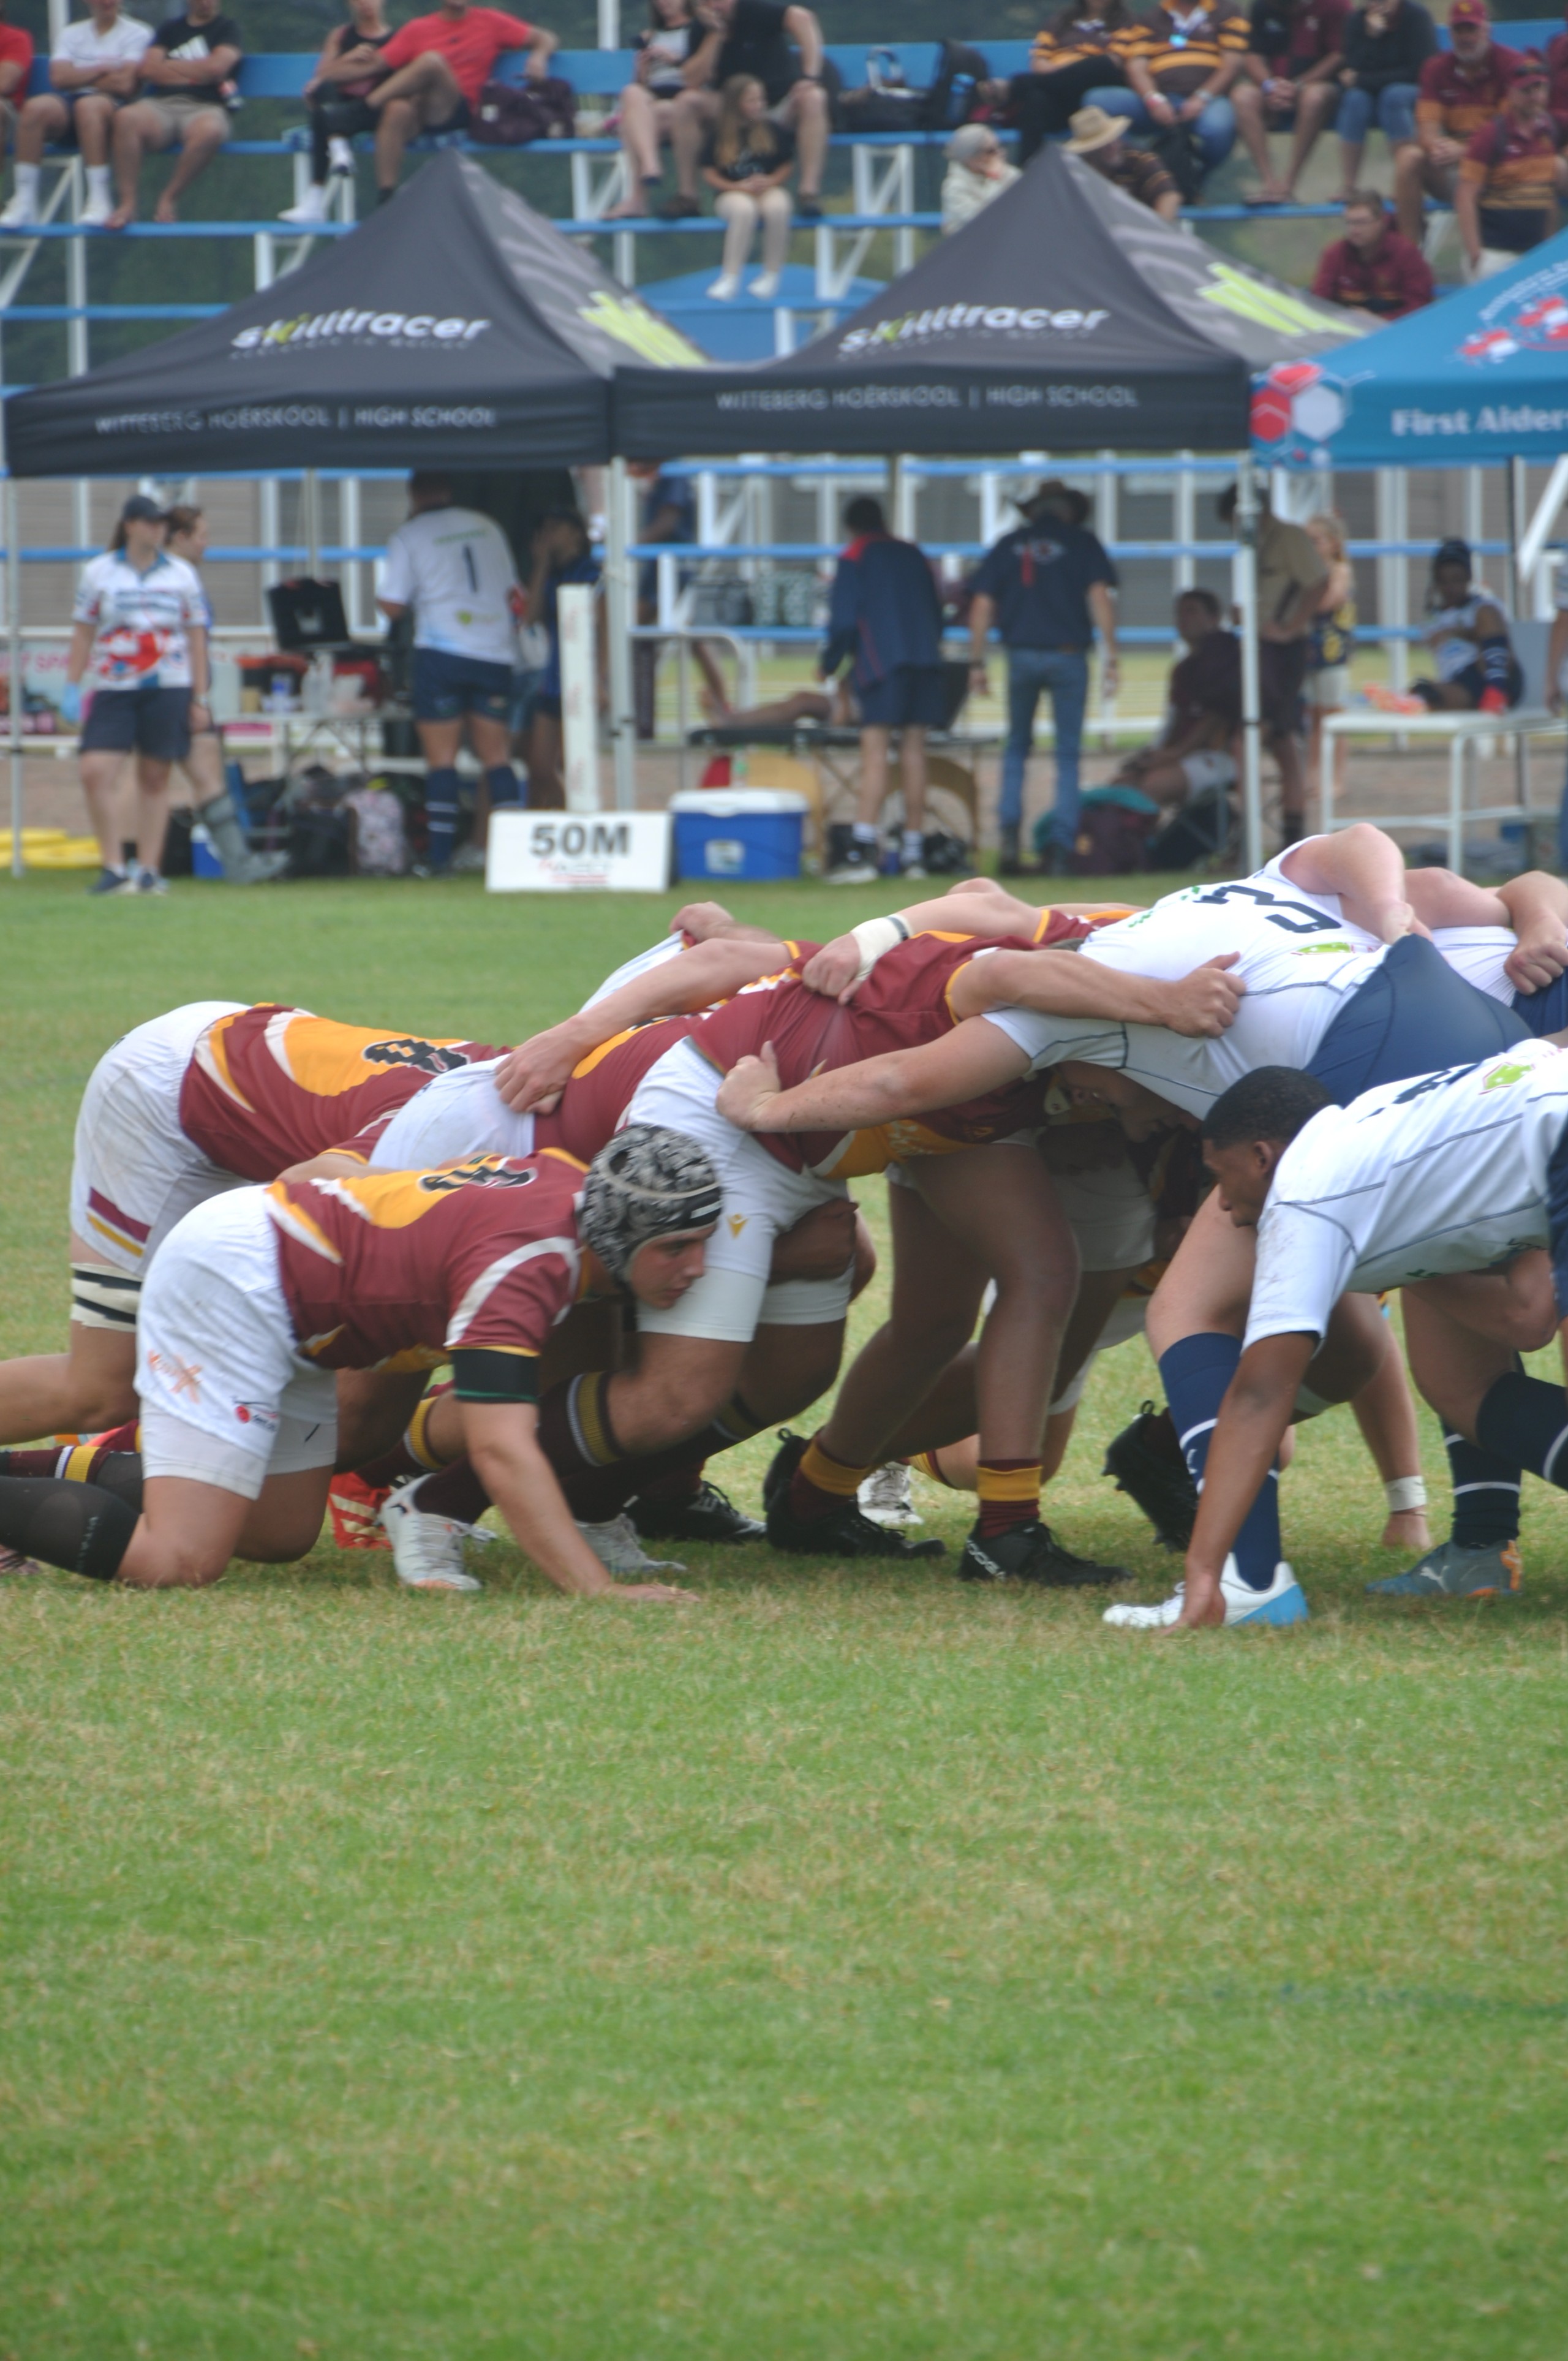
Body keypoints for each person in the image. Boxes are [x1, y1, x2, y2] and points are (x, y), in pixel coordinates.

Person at [0, 1130, 722, 1601]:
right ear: (611, 1232)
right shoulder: (525, 1268)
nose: (698, 1267)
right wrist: (594, 1588)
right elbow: (500, 1444)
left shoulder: (575, 1184)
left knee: (277, 1534)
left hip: (299, 1304)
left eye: (703, 1242)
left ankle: (38, 1471)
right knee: (180, 1559)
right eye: (676, 1247)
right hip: (239, 1278)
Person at [1161, 1046, 1568, 1626]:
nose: (1222, 1206)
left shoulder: (1304, 1196)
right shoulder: (1375, 1126)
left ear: (1260, 1157)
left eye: (1221, 1180)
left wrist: (1204, 1572)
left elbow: (1258, 1395)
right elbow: (1527, 1319)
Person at [967, 480, 1119, 877]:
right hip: (1069, 656)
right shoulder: (1083, 542)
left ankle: (1009, 840)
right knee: (1067, 753)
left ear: (1034, 510)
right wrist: (1112, 656)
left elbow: (982, 604)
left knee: (1017, 747)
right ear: (1069, 510)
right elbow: (1100, 596)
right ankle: (1060, 849)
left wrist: (977, 662)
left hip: (1020, 656)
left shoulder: (1009, 544)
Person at [377, 472, 526, 877]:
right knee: (496, 756)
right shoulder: (487, 526)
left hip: (442, 652)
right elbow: (515, 595)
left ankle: (439, 858)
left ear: (414, 494)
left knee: (441, 759)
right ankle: (515, 859)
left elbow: (391, 604)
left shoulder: (410, 535)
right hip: (494, 651)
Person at [62, 493, 208, 897]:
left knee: (155, 775)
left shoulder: (181, 574)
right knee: (95, 770)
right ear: (129, 525)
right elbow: (83, 631)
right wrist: (72, 684)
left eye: (161, 523)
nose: (156, 529)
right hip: (115, 685)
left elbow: (197, 638)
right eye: (148, 522)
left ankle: (148, 869)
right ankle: (113, 865)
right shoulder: (99, 572)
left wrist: (201, 696)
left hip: (169, 684)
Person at [818, 496, 947, 884]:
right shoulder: (914, 553)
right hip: (926, 660)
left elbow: (843, 621)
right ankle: (913, 853)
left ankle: (861, 852)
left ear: (851, 526)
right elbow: (937, 609)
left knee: (874, 753)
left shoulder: (854, 556)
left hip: (882, 664)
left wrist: (830, 664)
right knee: (914, 753)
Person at [161, 504, 286, 884]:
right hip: (177, 694)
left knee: (203, 777)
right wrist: (196, 699)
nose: (207, 544)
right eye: (202, 536)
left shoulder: (176, 577)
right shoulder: (173, 579)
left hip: (182, 693)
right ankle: (138, 864)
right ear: (180, 538)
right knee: (184, 779)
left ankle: (237, 864)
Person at [1216, 480, 1325, 845]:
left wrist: (1289, 627)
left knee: (1249, 739)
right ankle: (1287, 839)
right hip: (1259, 646)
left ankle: (1250, 839)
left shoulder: (1288, 537)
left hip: (1279, 652)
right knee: (1280, 741)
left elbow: (1318, 583)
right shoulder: (1256, 544)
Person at [366, 1, 559, 205]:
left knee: (432, 63)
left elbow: (546, 37)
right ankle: (386, 196)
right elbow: (378, 62)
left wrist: (539, 57)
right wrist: (337, 68)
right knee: (396, 109)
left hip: (458, 110)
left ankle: (363, 109)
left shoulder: (490, 22)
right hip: (421, 113)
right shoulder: (418, 29)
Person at [662, 0, 826, 222]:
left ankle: (809, 192)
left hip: (777, 106)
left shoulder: (755, 10)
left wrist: (810, 75)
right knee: (685, 102)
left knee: (814, 98)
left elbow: (803, 18)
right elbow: (692, 80)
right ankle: (688, 196)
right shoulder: (701, 28)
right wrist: (715, 36)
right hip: (730, 112)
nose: (716, 6)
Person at [3, 0, 143, 232]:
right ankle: (24, 200)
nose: (106, 3)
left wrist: (79, 75)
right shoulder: (72, 33)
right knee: (35, 108)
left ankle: (99, 198)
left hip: (113, 108)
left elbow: (125, 84)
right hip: (70, 104)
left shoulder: (137, 32)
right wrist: (100, 70)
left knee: (89, 106)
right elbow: (59, 78)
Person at [105, 0, 239, 229]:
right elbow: (148, 70)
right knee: (126, 117)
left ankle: (169, 197)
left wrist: (169, 68)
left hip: (207, 106)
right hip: (162, 105)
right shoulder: (170, 29)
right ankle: (127, 204)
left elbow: (217, 68)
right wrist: (196, 74)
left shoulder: (227, 29)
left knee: (211, 131)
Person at [1088, 0, 1250, 187]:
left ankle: (1197, 176)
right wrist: (1153, 99)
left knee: (1219, 128)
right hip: (1161, 99)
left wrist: (1202, 97)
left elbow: (1233, 64)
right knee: (1099, 100)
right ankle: (1146, 168)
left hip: (1210, 100)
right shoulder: (1150, 17)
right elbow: (1136, 66)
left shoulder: (1227, 11)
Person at [1107, 587, 1240, 814]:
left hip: (1219, 757)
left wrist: (1174, 754)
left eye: (1192, 612)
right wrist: (1155, 754)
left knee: (1151, 786)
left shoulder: (1227, 657)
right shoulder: (1183, 669)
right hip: (1184, 755)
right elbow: (1174, 721)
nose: (1183, 619)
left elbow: (1217, 718)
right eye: (1179, 613)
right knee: (1119, 787)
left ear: (1214, 618)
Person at [1393, 0, 1515, 246]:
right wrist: (1436, 148)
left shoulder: (1510, 64)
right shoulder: (1436, 68)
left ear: (1487, 30)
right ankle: (1408, 254)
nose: (1465, 37)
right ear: (1450, 33)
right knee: (1408, 157)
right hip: (1453, 169)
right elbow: (1426, 130)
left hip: (1499, 167)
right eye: (1459, 30)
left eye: (1472, 29)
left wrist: (1465, 150)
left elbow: (1509, 130)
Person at [629, 458, 730, 730]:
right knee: (640, 638)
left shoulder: (674, 473)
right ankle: (640, 718)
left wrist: (628, 545)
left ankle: (724, 709)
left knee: (648, 635)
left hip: (673, 567)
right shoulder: (663, 474)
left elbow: (669, 521)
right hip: (659, 567)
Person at [277, 0, 393, 228]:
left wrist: (348, 72)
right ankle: (338, 148)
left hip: (372, 109)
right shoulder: (341, 36)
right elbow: (322, 75)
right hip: (340, 107)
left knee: (324, 117)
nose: (366, 4)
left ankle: (317, 193)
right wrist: (349, 58)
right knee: (321, 95)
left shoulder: (395, 38)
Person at [1455, 51, 1567, 277]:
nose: (1534, 96)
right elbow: (1465, 195)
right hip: (1496, 253)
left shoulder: (1552, 126)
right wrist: (1476, 254)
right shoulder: (1491, 134)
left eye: (1539, 88)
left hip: (1537, 252)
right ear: (1511, 93)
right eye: (1526, 90)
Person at [1234, 0, 1349, 206]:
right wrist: (1270, 86)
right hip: (1273, 86)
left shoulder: (1335, 6)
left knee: (1314, 97)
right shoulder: (1263, 7)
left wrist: (1298, 85)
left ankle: (1289, 183)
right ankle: (1269, 183)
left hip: (1320, 86)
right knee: (1242, 95)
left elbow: (1339, 54)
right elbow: (1253, 54)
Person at [522, 508, 600, 811]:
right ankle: (559, 815)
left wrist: (601, 678)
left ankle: (577, 817)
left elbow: (604, 628)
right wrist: (540, 562)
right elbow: (529, 617)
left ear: (576, 534)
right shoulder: (552, 575)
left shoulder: (590, 573)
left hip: (580, 677)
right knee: (539, 768)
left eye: (556, 527)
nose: (548, 534)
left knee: (574, 762)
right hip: (552, 681)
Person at [1396, 537, 1522, 713]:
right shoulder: (1432, 619)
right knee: (1424, 690)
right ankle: (1410, 701)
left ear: (1468, 578)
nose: (1450, 587)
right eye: (1444, 581)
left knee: (1487, 617)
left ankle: (1496, 692)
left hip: (1495, 674)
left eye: (1457, 579)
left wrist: (1457, 633)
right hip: (1462, 683)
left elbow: (1498, 644)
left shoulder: (1485, 606)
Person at [699, 69, 793, 299]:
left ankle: (772, 273)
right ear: (736, 103)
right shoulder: (719, 133)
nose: (758, 105)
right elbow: (709, 173)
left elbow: (786, 164)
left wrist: (771, 181)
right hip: (732, 192)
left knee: (779, 207)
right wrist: (737, 187)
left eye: (760, 99)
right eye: (751, 100)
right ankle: (730, 276)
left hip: (765, 188)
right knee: (744, 210)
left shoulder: (772, 130)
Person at [606, 0, 703, 221]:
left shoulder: (697, 32)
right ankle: (651, 165)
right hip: (654, 98)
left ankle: (637, 198)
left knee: (629, 125)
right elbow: (640, 88)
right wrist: (643, 68)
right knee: (631, 93)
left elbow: (703, 71)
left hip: (683, 100)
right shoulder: (651, 36)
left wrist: (675, 60)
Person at [1335, 0, 1436, 200]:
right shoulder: (1356, 21)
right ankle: (1349, 185)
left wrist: (1365, 79)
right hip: (1372, 91)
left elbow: (1419, 71)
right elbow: (1352, 70)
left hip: (1412, 91)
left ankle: (1405, 180)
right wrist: (1372, 38)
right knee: (1354, 99)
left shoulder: (1416, 17)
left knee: (1393, 97)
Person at [1013, 2, 1135, 163]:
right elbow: (1038, 64)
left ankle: (1017, 88)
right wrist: (1070, 70)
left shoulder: (1127, 22)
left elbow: (1115, 60)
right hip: (1061, 98)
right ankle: (1028, 173)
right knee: (1035, 101)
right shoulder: (1059, 22)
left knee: (1103, 64)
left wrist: (1067, 67)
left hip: (1098, 95)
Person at [1309, 184, 1433, 315]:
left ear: (1381, 221)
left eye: (1362, 222)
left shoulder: (1406, 253)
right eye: (1349, 222)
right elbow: (1319, 305)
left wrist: (1377, 320)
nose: (1354, 230)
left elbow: (1420, 307)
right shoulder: (1334, 254)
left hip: (1398, 332)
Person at [1302, 511, 1355, 804]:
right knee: (1313, 718)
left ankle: (1336, 778)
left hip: (1332, 654)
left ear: (1333, 544)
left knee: (1334, 715)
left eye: (1316, 541)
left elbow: (1327, 601)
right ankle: (1312, 776)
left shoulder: (1339, 571)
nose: (1311, 548)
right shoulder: (1309, 573)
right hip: (1311, 653)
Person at [1063, 103, 1180, 217]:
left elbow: (1169, 196)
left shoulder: (1139, 158)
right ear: (1089, 152)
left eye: (1113, 138)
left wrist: (1158, 232)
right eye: (1103, 144)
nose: (1112, 146)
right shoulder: (1074, 172)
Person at [940, 122, 1020, 233]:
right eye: (991, 151)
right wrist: (995, 179)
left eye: (999, 146)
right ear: (971, 158)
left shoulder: (1009, 173)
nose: (999, 153)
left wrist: (1002, 176)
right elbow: (986, 221)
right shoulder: (954, 188)